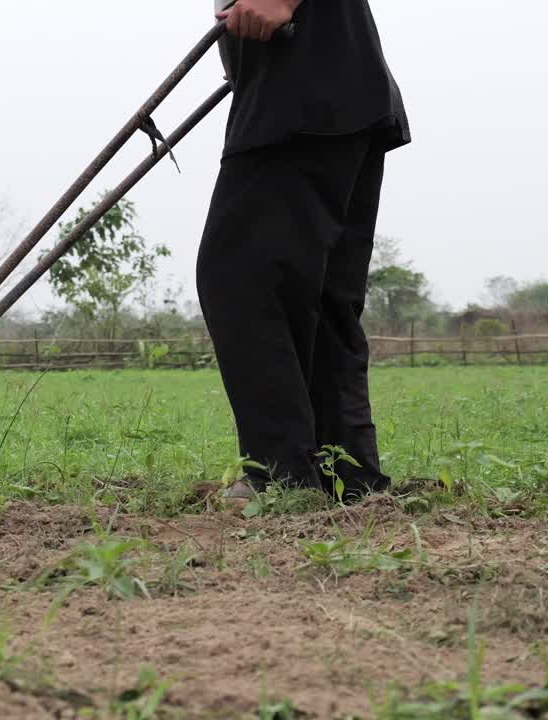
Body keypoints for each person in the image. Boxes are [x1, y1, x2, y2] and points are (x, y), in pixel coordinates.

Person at [198, 0, 410, 504]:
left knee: (240, 279)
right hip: (330, 85)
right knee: (320, 297)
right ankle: (348, 477)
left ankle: (282, 476)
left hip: (300, 89)